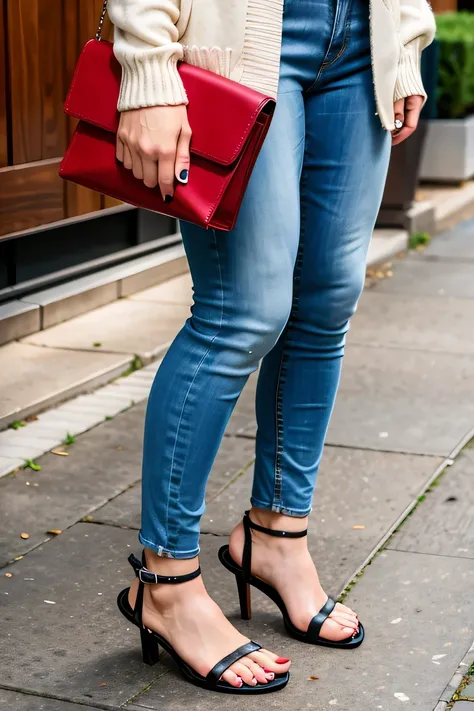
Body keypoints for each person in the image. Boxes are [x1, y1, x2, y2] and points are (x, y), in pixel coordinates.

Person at [109, 0, 435, 694]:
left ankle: (276, 535)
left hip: (359, 36)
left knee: (326, 301)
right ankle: (164, 581)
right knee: (243, 311)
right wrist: (146, 61)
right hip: (245, 31)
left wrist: (402, 36)